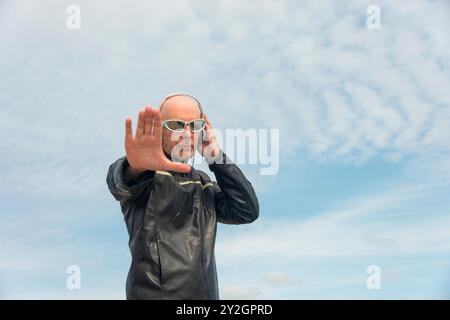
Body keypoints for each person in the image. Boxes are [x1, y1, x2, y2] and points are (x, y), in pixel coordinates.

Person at [106, 93, 259, 299]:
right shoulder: (145, 174)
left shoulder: (203, 183)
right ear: (159, 129)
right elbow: (120, 182)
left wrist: (215, 155)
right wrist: (136, 166)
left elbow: (246, 211)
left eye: (195, 125)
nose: (187, 134)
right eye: (176, 125)